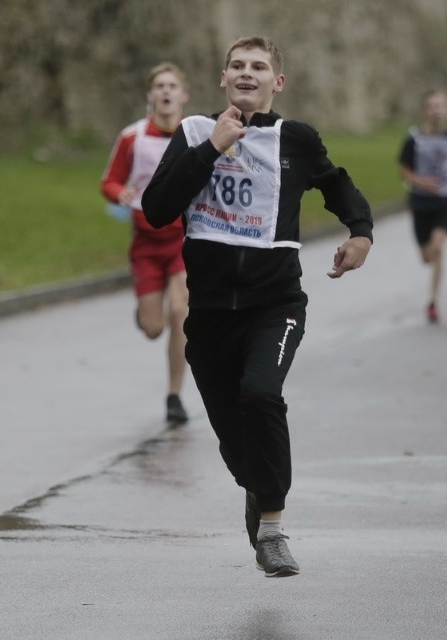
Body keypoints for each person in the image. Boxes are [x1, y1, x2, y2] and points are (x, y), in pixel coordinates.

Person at [141, 36, 373, 577]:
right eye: (238, 66)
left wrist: (359, 232)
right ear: (223, 79)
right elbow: (157, 209)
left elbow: (335, 184)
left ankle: (272, 526)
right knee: (235, 438)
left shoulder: (297, 139)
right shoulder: (196, 132)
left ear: (277, 81)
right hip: (212, 313)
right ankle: (258, 486)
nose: (248, 73)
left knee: (262, 394)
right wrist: (211, 149)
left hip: (277, 303)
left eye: (259, 67)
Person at [101, 62, 191, 425]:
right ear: (150, 95)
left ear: (184, 95)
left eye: (172, 86)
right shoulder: (132, 137)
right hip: (146, 242)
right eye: (159, 86)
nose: (166, 92)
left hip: (184, 239)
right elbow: (108, 182)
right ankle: (144, 314)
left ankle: (174, 395)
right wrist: (119, 193)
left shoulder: (196, 133)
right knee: (155, 328)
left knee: (180, 313)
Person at [398, 89, 447, 323]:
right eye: (432, 107)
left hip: (445, 198)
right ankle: (429, 260)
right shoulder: (414, 139)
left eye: (441, 106)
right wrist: (421, 181)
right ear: (425, 111)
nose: (437, 111)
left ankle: (433, 301)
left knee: (438, 248)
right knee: (427, 256)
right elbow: (404, 170)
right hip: (420, 201)